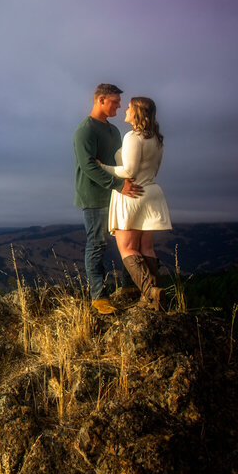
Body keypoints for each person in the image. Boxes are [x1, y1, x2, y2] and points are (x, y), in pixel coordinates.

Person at [99, 96, 172, 310]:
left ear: (138, 112)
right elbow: (154, 169)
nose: (125, 111)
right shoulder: (157, 139)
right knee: (146, 247)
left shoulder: (133, 136)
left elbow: (129, 171)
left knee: (127, 248)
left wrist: (103, 167)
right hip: (151, 192)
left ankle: (151, 293)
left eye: (129, 108)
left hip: (131, 194)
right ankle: (151, 298)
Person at [73, 83, 141, 314]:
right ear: (100, 100)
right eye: (114, 101)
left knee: (127, 241)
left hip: (118, 194)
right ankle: (98, 297)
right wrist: (119, 185)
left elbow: (121, 163)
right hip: (94, 196)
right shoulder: (86, 130)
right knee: (97, 244)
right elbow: (88, 166)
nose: (119, 106)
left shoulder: (114, 131)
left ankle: (130, 288)